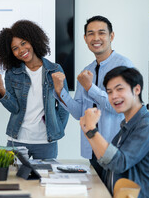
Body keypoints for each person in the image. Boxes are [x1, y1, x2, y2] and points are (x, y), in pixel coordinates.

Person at [52, 15, 133, 178]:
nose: (96, 38)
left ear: (111, 36)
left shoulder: (124, 65)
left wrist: (90, 87)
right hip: (93, 151)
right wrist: (60, 91)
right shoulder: (87, 70)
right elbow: (78, 113)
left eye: (101, 33)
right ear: (85, 38)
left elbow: (119, 107)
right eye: (90, 33)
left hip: (115, 151)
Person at [79, 67, 149, 198]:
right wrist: (87, 131)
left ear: (136, 90)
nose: (114, 96)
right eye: (109, 92)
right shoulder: (127, 125)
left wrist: (91, 129)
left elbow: (119, 163)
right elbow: (106, 162)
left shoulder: (147, 126)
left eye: (120, 89)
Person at [0, 20, 69, 159]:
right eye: (15, 48)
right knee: (15, 178)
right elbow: (15, 108)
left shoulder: (55, 70)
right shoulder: (12, 73)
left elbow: (64, 105)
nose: (21, 50)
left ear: (33, 40)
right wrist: (0, 87)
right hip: (18, 139)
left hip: (46, 141)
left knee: (44, 180)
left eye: (23, 43)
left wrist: (56, 128)